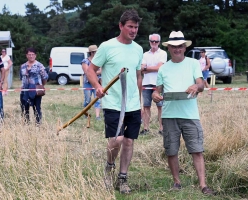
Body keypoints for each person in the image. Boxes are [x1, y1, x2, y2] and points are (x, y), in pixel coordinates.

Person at [87, 9, 143, 194]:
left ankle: (123, 178)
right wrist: (97, 86)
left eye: (136, 27)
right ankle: (109, 166)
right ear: (121, 26)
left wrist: (140, 101)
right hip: (112, 102)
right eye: (130, 27)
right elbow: (90, 69)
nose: (133, 30)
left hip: (133, 103)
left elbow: (137, 76)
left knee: (128, 142)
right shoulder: (107, 46)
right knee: (116, 140)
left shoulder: (138, 49)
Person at [152, 31, 215, 195]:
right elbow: (157, 90)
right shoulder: (163, 68)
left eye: (180, 46)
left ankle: (203, 185)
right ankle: (176, 182)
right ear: (169, 48)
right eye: (174, 46)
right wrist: (155, 96)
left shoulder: (193, 63)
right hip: (168, 115)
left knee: (197, 149)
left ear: (184, 47)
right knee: (171, 150)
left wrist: (196, 87)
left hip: (190, 115)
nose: (177, 49)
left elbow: (201, 84)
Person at [140, 33, 167, 135]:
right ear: (149, 42)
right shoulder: (145, 54)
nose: (154, 43)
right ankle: (146, 128)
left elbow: (160, 68)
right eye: (152, 41)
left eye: (156, 41)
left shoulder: (163, 53)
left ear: (159, 42)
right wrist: (153, 68)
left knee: (160, 107)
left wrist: (147, 68)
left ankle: (162, 129)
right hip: (146, 84)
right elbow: (142, 69)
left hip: (158, 85)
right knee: (146, 106)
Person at [20, 47, 48, 125]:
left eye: (32, 54)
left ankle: (38, 124)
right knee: (25, 108)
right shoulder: (22, 66)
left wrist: (41, 86)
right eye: (29, 54)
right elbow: (21, 78)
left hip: (36, 91)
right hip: (25, 91)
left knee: (37, 108)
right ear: (26, 55)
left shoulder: (40, 65)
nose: (31, 56)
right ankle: (26, 124)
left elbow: (45, 77)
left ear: (35, 55)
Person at [81, 45, 102, 120]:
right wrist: (95, 72)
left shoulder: (99, 61)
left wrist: (92, 72)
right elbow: (87, 72)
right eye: (96, 51)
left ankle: (97, 116)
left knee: (98, 99)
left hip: (97, 83)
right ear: (92, 53)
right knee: (87, 100)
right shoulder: (85, 61)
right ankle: (85, 113)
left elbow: (102, 71)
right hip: (88, 83)